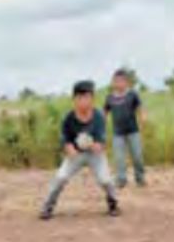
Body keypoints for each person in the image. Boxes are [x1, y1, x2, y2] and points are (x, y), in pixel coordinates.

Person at [40, 80, 120, 220]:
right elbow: (65, 139)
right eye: (80, 97)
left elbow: (101, 142)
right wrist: (69, 147)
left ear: (92, 99)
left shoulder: (98, 116)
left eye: (87, 97)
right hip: (76, 154)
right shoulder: (68, 118)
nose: (84, 101)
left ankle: (113, 203)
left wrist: (95, 146)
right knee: (60, 177)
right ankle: (47, 207)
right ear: (74, 100)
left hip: (95, 154)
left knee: (105, 180)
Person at [104, 68, 147, 188]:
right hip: (118, 133)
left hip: (133, 132)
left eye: (121, 81)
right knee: (119, 159)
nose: (118, 83)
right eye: (115, 81)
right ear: (113, 82)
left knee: (137, 156)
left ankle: (140, 178)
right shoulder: (110, 97)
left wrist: (143, 116)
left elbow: (140, 107)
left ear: (126, 82)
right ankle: (121, 180)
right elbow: (105, 112)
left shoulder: (132, 94)